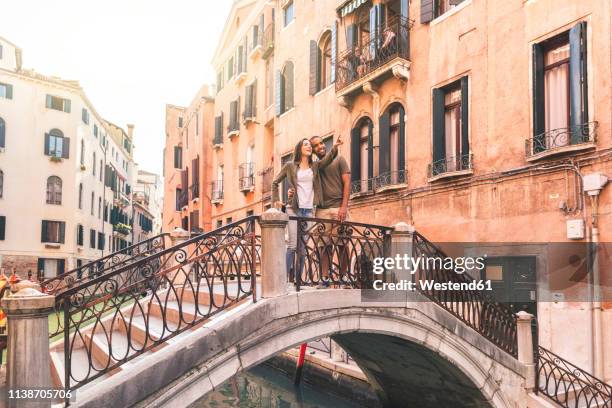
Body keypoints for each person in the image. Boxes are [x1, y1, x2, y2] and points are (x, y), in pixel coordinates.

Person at [272, 136, 343, 284]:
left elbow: (328, 159)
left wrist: (335, 147)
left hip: (309, 210)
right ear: (300, 149)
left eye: (310, 145)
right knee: (292, 245)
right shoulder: (290, 166)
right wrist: (275, 201)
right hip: (293, 209)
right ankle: (282, 280)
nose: (309, 147)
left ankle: (298, 280)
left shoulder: (315, 166)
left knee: (303, 248)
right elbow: (275, 182)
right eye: (306, 145)